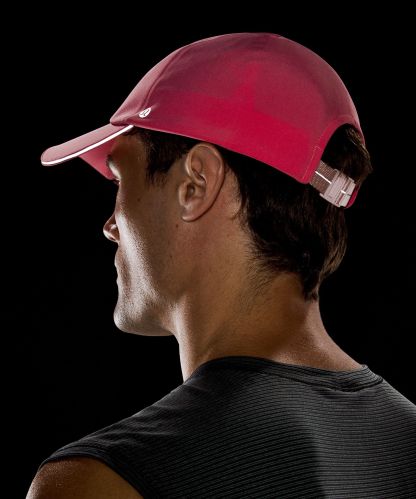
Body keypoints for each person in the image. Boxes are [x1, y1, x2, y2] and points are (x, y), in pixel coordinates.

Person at [27, 32, 416, 498]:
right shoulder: (407, 441)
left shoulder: (101, 482)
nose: (110, 225)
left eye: (119, 180)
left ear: (195, 184)